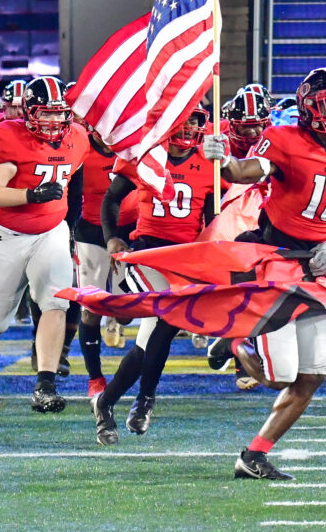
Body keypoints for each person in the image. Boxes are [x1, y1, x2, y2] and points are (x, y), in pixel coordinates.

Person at [202, 67, 326, 481]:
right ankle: (234, 341)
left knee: (314, 374)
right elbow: (246, 172)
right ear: (309, 110)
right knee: (275, 376)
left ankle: (254, 455)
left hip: (322, 266)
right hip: (279, 258)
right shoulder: (285, 141)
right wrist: (225, 161)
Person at [90, 107, 220, 444]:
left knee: (148, 343)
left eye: (196, 120)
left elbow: (212, 222)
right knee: (167, 316)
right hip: (146, 251)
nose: (190, 126)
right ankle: (146, 400)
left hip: (184, 258)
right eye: (184, 118)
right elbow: (112, 199)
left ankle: (106, 404)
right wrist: (111, 236)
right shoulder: (147, 153)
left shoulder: (210, 163)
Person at [0, 77, 87, 413]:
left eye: (59, 113)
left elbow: (74, 182)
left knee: (55, 302)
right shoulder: (8, 134)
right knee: (0, 318)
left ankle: (44, 385)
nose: (53, 121)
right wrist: (30, 195)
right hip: (8, 234)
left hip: (51, 230)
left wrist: (72, 224)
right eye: (45, 114)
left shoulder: (78, 136)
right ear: (29, 112)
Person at [73, 124, 138, 398]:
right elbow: (69, 193)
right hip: (91, 231)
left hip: (129, 230)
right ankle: (95, 376)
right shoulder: (79, 147)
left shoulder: (137, 148)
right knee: (90, 308)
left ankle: (115, 314)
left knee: (127, 313)